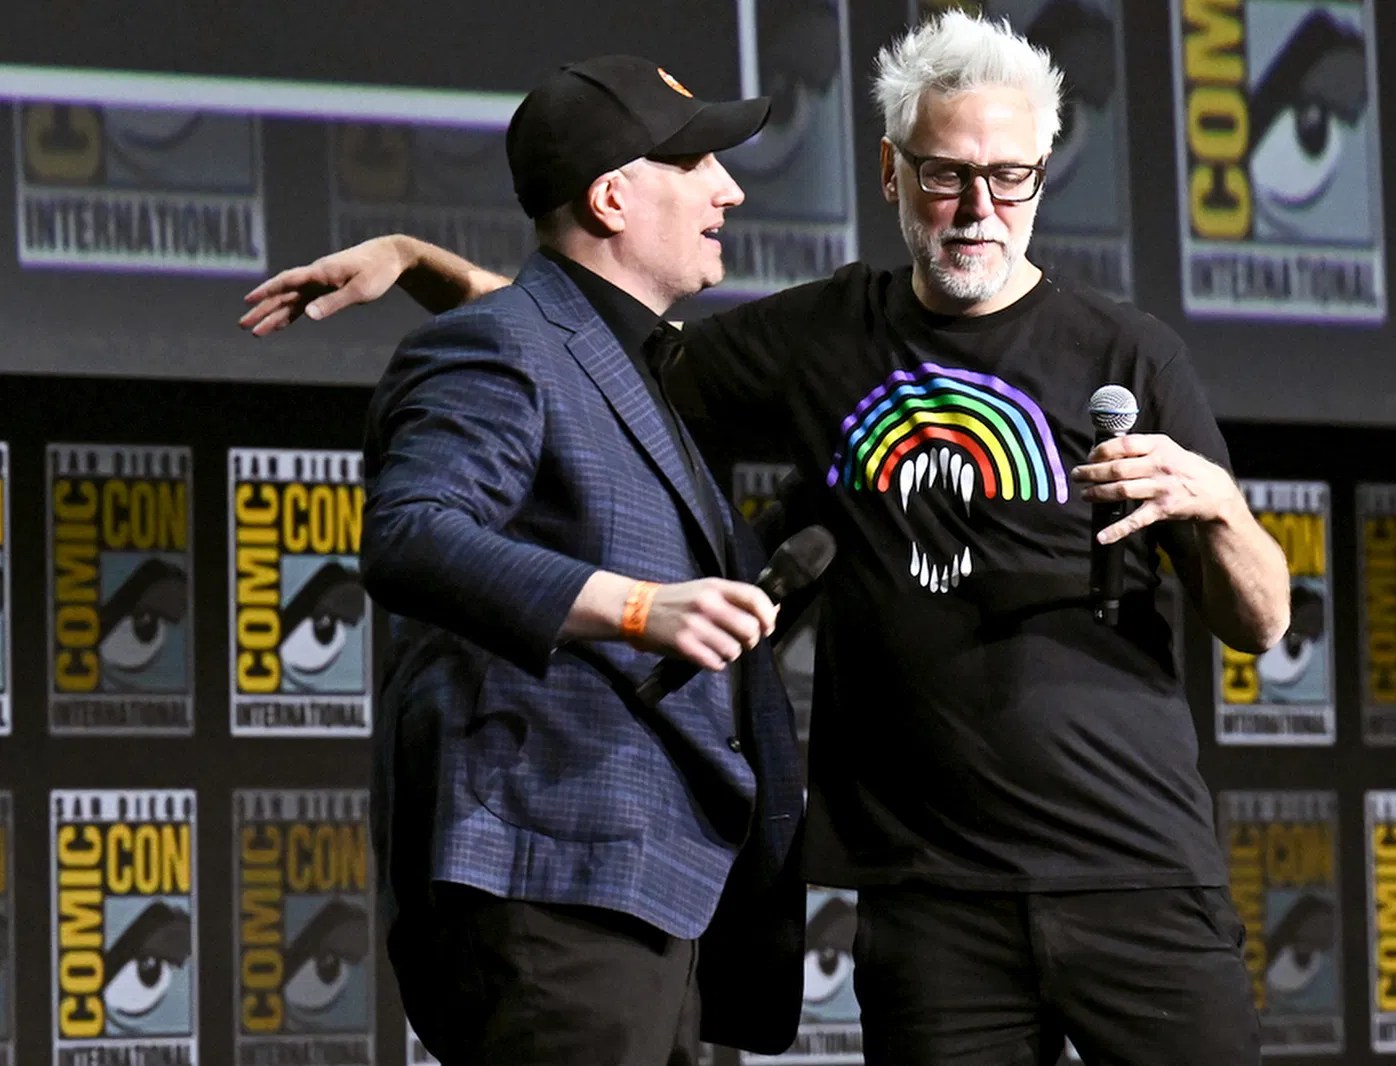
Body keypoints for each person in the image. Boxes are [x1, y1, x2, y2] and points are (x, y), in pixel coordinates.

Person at [244, 13, 1291, 1066]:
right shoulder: (821, 335)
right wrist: (422, 263)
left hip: (1138, 871)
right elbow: (575, 336)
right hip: (929, 901)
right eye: (945, 175)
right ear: (889, 171)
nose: (979, 208)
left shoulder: (1133, 355)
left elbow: (1262, 620)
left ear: (1041, 177)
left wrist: (1221, 508)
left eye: (1009, 176)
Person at [354, 54, 807, 1066]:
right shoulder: (497, 344)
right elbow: (411, 531)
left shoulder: (609, 359)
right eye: (696, 163)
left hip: (647, 897)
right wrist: (643, 606)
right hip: (553, 887)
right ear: (612, 196)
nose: (728, 189)